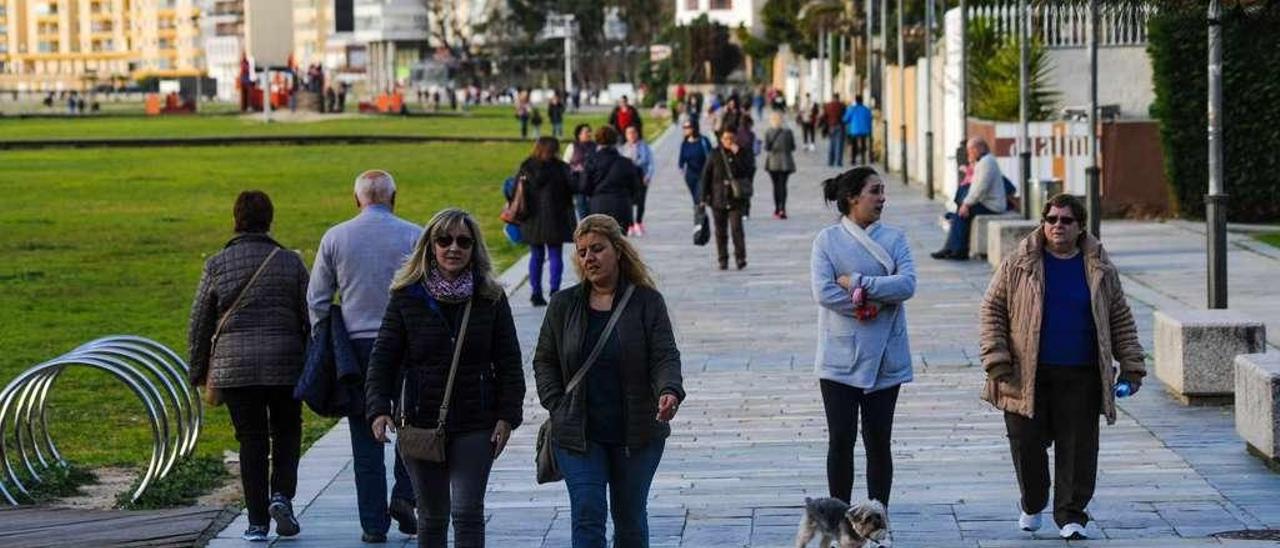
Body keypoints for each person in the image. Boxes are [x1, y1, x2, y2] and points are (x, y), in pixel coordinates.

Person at [979, 194, 1146, 541]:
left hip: (1081, 373)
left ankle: (1071, 514)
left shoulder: (1099, 267)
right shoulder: (1019, 263)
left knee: (1079, 447)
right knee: (1026, 444)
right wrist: (996, 357)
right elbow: (992, 309)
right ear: (1043, 222)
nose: (1057, 225)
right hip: (1025, 373)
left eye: (1066, 220)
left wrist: (1131, 366)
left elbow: (1120, 319)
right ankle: (1033, 500)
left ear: (1080, 225)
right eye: (1051, 219)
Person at [366, 209, 525, 548]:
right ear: (430, 246)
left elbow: (510, 361)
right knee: (433, 516)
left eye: (463, 241)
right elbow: (383, 359)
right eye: (444, 240)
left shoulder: (490, 298)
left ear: (474, 248)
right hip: (421, 421)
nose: (454, 248)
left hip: (475, 422)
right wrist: (379, 408)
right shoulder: (407, 296)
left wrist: (507, 416)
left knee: (468, 513)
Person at [533, 214, 685, 548]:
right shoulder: (563, 304)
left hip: (637, 433)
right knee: (588, 514)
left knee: (630, 521)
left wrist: (669, 391)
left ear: (617, 250)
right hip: (578, 432)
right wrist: (556, 404)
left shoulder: (647, 302)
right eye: (582, 251)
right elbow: (544, 360)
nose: (589, 258)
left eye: (597, 249)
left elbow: (664, 356)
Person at [188, 190, 310, 542]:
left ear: (236, 220)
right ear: (269, 220)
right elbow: (310, 315)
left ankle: (257, 523)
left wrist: (196, 371)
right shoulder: (290, 262)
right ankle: (281, 495)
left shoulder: (216, 264)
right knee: (287, 431)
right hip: (285, 363)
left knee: (251, 441)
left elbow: (200, 323)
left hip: (235, 368)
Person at [306, 170, 420, 543]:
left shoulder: (336, 237)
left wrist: (328, 336)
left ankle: (373, 524)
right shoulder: (414, 235)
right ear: (394, 196)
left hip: (357, 349)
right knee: (412, 426)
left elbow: (318, 299)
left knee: (364, 439)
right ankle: (405, 494)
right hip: (406, 343)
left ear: (357, 200)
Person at [810, 167, 916, 529]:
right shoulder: (827, 240)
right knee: (840, 439)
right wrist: (866, 305)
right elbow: (823, 291)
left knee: (878, 440)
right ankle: (839, 518)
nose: (882, 198)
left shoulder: (895, 238)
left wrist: (858, 283)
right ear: (854, 197)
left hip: (886, 356)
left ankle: (877, 519)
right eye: (875, 191)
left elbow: (907, 284)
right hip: (840, 357)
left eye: (883, 191)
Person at [520, 137, 576, 307]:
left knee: (536, 255)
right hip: (556, 218)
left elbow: (516, 190)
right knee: (555, 255)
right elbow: (572, 189)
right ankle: (555, 290)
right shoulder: (561, 168)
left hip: (532, 218)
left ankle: (536, 293)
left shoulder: (527, 166)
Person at [932, 136, 1007, 260]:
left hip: (993, 205)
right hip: (986, 202)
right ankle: (952, 248)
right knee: (959, 214)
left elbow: (980, 188)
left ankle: (958, 250)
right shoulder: (983, 162)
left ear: (980, 148)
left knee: (962, 214)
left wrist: (966, 204)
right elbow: (974, 187)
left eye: (971, 150)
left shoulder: (987, 162)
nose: (969, 153)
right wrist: (965, 204)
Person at [700, 127, 752, 270]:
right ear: (721, 140)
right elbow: (706, 176)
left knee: (737, 229)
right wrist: (703, 198)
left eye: (731, 138)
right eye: (725, 139)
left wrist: (739, 154)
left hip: (735, 198)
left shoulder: (741, 152)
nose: (728, 141)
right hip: (718, 198)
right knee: (720, 231)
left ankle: (740, 258)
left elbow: (748, 171)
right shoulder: (714, 154)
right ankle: (723, 259)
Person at [582, 125, 643, 231]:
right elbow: (635, 187)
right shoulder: (626, 162)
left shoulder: (591, 161)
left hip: (598, 205)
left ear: (597, 140)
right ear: (615, 140)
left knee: (601, 242)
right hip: (622, 205)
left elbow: (584, 186)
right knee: (619, 243)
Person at [621, 125, 655, 237]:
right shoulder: (623, 148)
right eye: (628, 133)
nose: (631, 135)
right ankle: (630, 225)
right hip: (628, 179)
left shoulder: (644, 147)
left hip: (641, 176)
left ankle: (639, 222)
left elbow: (650, 163)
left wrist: (648, 176)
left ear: (637, 134)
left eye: (633, 132)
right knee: (628, 202)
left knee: (641, 201)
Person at [764, 111, 797, 220]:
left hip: (773, 162)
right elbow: (793, 147)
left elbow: (767, 147)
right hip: (786, 162)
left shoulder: (769, 132)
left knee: (776, 186)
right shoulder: (788, 132)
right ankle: (783, 208)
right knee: (783, 186)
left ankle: (777, 209)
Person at [564, 123, 597, 221]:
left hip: (593, 181)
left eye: (589, 132)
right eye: (586, 132)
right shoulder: (572, 146)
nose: (589, 134)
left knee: (593, 208)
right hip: (578, 182)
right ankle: (584, 227)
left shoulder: (596, 146)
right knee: (581, 207)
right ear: (579, 134)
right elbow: (565, 163)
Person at [677, 119, 714, 206]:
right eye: (684, 127)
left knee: (700, 198)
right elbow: (681, 158)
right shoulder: (685, 143)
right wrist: (681, 167)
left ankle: (699, 217)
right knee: (695, 198)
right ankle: (702, 218)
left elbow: (712, 156)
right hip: (690, 176)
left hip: (703, 174)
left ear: (693, 128)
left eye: (687, 127)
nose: (685, 129)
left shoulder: (704, 141)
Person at [843, 95, 873, 165]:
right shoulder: (866, 109)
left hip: (855, 130)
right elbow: (870, 119)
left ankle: (853, 160)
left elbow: (845, 119)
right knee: (863, 144)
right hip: (865, 130)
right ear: (862, 101)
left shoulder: (852, 109)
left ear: (856, 101)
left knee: (854, 145)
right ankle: (863, 159)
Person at [823, 93, 847, 167]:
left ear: (833, 97)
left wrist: (827, 124)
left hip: (831, 126)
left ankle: (830, 162)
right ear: (838, 98)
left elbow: (825, 116)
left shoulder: (828, 105)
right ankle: (838, 162)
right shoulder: (842, 105)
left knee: (831, 144)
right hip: (840, 125)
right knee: (839, 145)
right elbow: (845, 116)